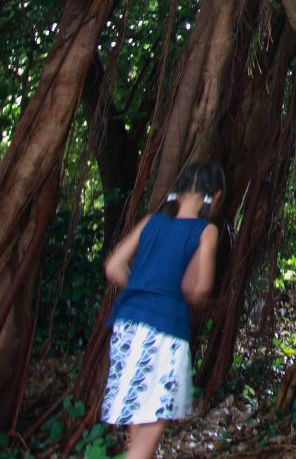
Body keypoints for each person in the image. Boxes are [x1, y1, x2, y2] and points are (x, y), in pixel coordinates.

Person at [101, 161, 223, 459]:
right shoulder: (205, 232)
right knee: (152, 424)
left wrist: (142, 287)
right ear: (215, 196)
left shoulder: (150, 222)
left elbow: (113, 266)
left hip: (126, 326)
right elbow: (200, 289)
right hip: (165, 331)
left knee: (138, 423)